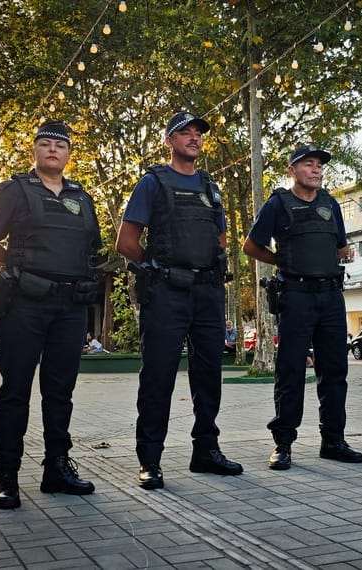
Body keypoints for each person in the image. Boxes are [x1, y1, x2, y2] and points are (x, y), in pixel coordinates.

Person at [0, 120, 101, 509]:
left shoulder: (83, 198)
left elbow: (92, 249)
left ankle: (56, 470)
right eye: (45, 144)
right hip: (24, 305)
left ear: (67, 154)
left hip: (69, 309)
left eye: (59, 146)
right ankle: (8, 478)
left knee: (59, 393)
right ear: (34, 151)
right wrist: (17, 266)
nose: (52, 150)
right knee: (15, 391)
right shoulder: (14, 190)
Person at [115, 111, 242, 490]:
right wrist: (157, 270)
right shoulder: (153, 183)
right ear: (169, 141)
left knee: (209, 377)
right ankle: (150, 460)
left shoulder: (209, 186)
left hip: (207, 293)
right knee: (158, 378)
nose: (193, 138)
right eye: (184, 133)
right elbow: (126, 241)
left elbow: (220, 239)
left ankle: (206, 450)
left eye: (197, 133)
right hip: (166, 293)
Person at [243, 144, 362, 470]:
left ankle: (333, 441)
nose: (316, 170)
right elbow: (251, 245)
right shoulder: (278, 204)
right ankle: (283, 444)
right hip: (295, 297)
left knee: (335, 371)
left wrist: (319, 259)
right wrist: (281, 260)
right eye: (308, 164)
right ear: (292, 170)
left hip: (331, 298)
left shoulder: (330, 204)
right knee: (291, 371)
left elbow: (341, 248)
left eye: (319, 166)